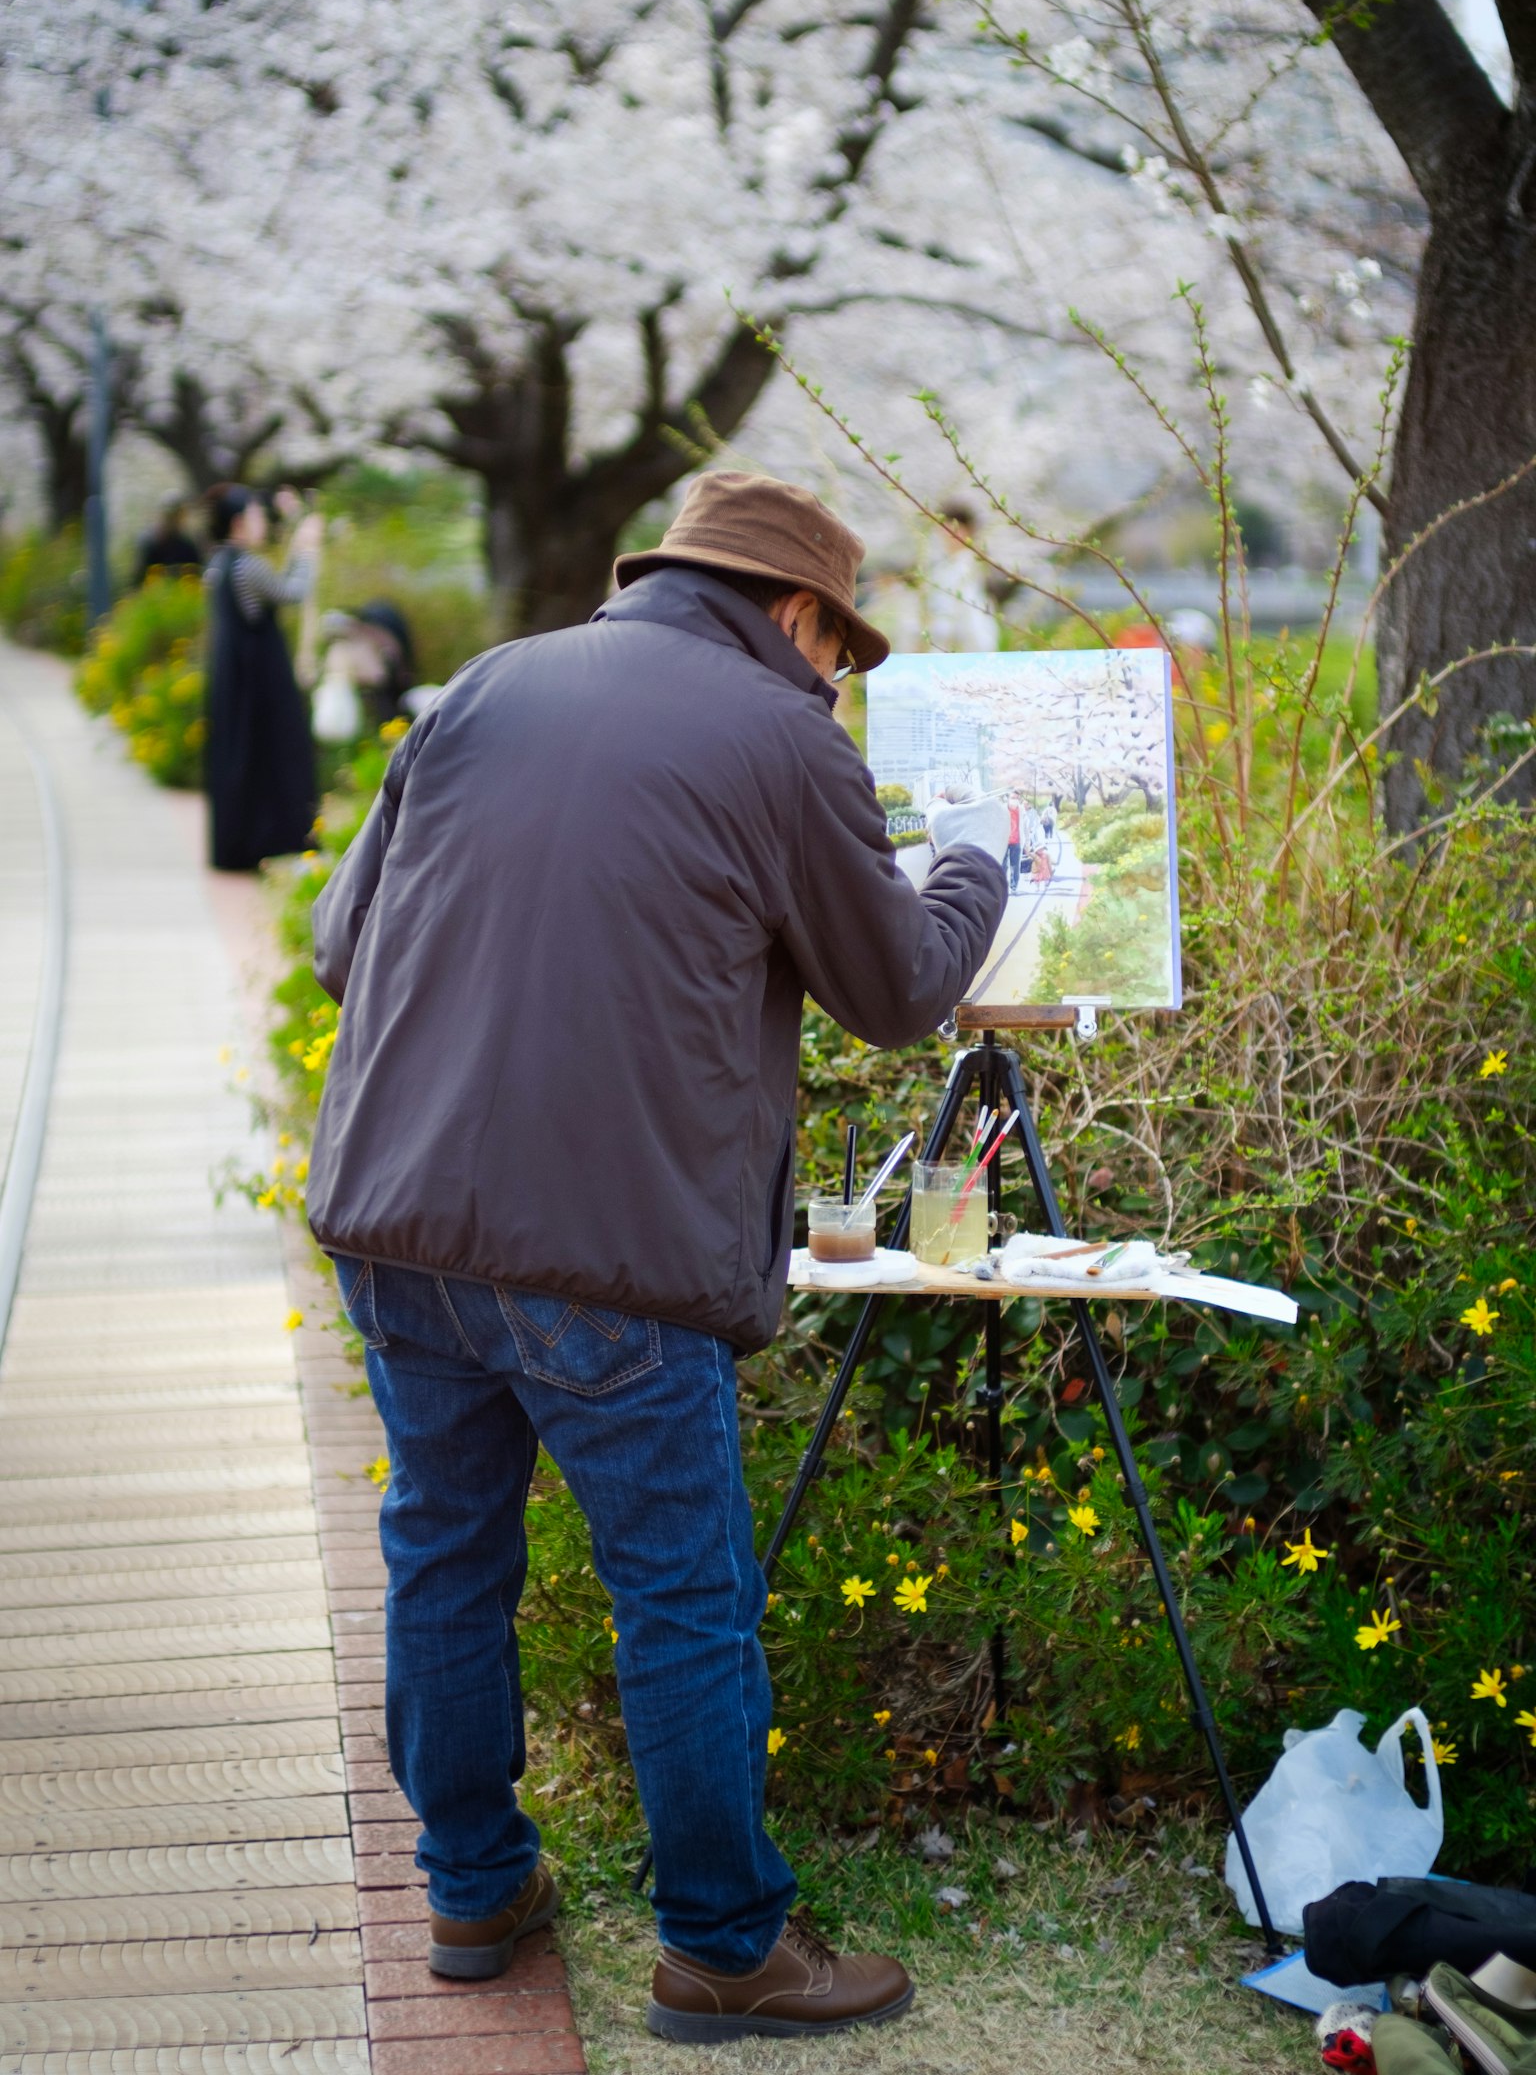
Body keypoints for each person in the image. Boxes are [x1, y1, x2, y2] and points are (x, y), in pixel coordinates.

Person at [304, 469, 1005, 2042]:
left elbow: (343, 943)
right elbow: (897, 991)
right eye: (841, 648)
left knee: (444, 1556)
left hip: (397, 1216)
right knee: (681, 1600)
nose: (839, 678)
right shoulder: (782, 737)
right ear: (798, 614)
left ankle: (474, 1884)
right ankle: (723, 1946)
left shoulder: (490, 680)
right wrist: (973, 864)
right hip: (607, 1258)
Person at [203, 485, 320, 872]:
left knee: (241, 764)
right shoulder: (246, 566)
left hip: (234, 685)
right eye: (256, 516)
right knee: (278, 756)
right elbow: (292, 592)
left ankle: (241, 844)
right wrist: (306, 552)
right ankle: (280, 840)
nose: (262, 523)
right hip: (262, 684)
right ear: (238, 524)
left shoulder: (219, 565)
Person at [132, 493, 202, 585]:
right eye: (170, 516)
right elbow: (139, 579)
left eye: (177, 515)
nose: (173, 520)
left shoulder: (188, 545)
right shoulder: (150, 543)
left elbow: (196, 577)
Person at [1005, 787, 1022, 893]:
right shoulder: (1003, 809)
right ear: (1008, 798)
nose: (1014, 800)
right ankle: (1002, 887)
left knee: (1015, 866)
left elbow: (1025, 827)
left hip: (1017, 841)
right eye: (1012, 797)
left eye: (1016, 798)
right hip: (1004, 841)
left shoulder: (1021, 810)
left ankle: (1014, 886)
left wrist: (1027, 843)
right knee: (1002, 866)